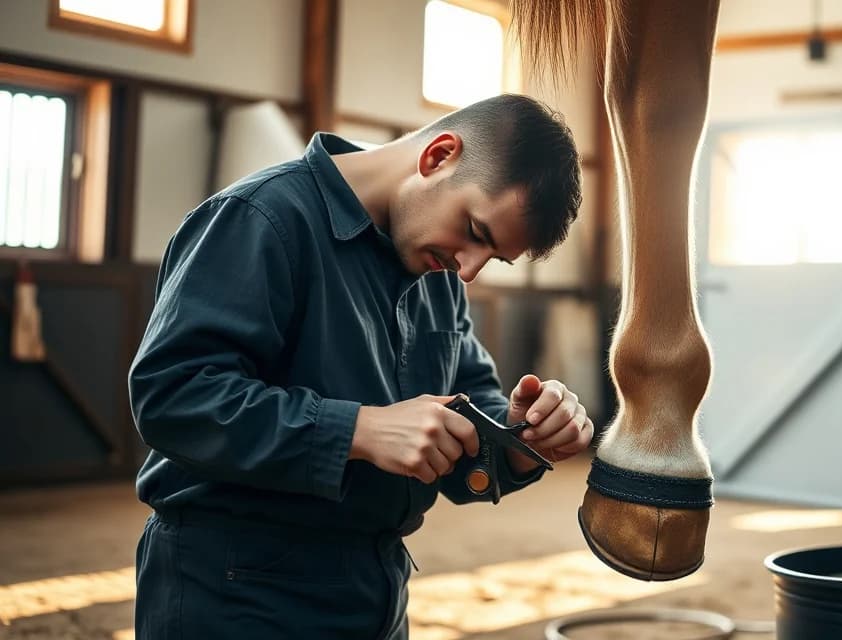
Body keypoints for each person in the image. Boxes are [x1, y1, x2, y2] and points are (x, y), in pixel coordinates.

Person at [128, 93, 594, 639]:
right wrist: (358, 430)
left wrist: (522, 435)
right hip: (238, 593)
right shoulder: (261, 218)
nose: (468, 271)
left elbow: (464, 414)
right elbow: (172, 395)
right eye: (475, 232)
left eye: (493, 258)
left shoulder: (438, 271)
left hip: (377, 593)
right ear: (438, 156)